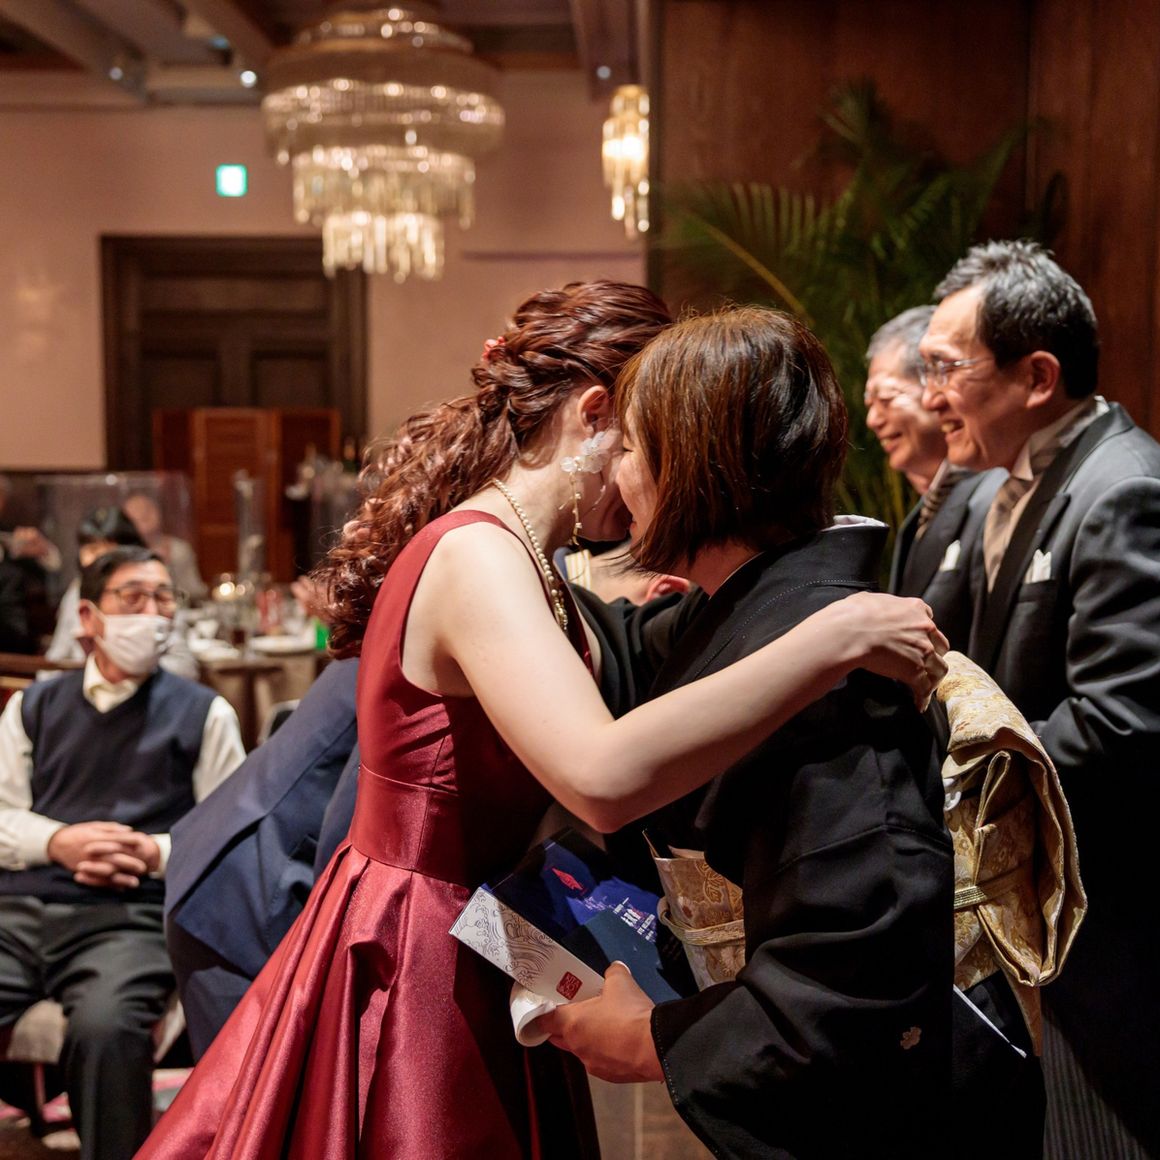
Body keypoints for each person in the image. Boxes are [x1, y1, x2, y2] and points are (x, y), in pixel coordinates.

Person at [134, 281, 945, 1160]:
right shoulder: (479, 553)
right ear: (594, 416)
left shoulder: (529, 556)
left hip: (488, 932)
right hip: (423, 938)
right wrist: (832, 637)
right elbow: (600, 775)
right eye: (637, 442)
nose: (636, 479)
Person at [541, 306, 954, 1158]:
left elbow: (855, 975)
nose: (614, 471)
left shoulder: (840, 678)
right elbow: (620, 646)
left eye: (630, 447)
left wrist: (654, 1041)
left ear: (695, 462)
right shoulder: (745, 607)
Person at [919, 239, 1160, 1158]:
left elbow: (1122, 724)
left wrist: (955, 789)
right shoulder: (992, 486)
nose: (932, 396)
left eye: (948, 369)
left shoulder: (1123, 488)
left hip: (1104, 928)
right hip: (1032, 919)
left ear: (1037, 376)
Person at [0, 546, 245, 1160]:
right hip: (21, 910)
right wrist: (57, 842)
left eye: (164, 598)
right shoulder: (34, 706)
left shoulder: (203, 712)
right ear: (88, 616)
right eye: (133, 598)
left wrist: (152, 851)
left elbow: (233, 837)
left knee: (107, 1028)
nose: (153, 614)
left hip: (127, 921)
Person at [163, 658, 359, 1058]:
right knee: (246, 1091)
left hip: (247, 867)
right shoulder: (408, 656)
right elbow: (350, 828)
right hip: (243, 889)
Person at [866, 308, 1003, 651]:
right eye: (870, 404)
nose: (873, 419)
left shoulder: (998, 493)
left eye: (886, 399)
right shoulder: (928, 505)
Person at [45, 505, 199, 680]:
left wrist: (128, 671)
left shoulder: (156, 586)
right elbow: (57, 657)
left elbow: (183, 665)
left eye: (110, 549)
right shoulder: (76, 592)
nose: (100, 559)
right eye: (92, 549)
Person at [123, 491, 208, 603]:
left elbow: (195, 590)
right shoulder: (122, 554)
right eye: (135, 513)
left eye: (147, 510)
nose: (142, 515)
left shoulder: (179, 550)